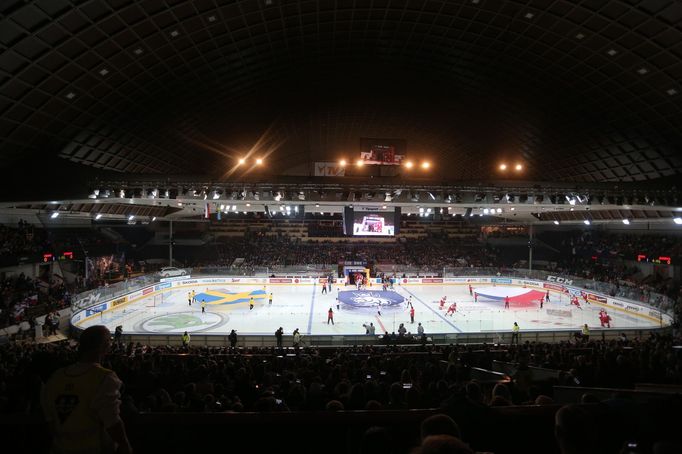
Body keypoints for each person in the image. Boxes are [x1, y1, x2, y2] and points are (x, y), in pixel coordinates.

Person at [42, 326, 133, 454]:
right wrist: (125, 446)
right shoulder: (105, 378)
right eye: (109, 341)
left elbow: (50, 421)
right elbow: (112, 422)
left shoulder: (55, 377)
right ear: (103, 347)